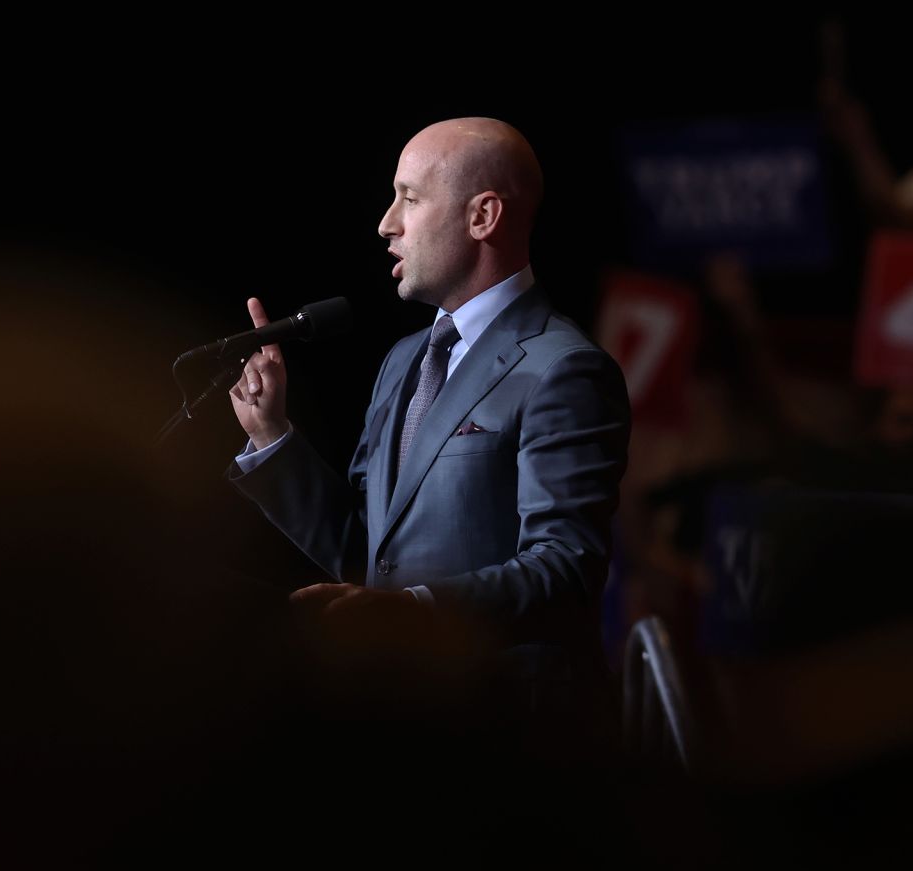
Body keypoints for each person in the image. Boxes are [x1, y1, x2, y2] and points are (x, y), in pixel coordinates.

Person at [224, 117, 631, 716]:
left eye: (409, 199)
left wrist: (413, 610)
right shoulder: (403, 360)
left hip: (513, 732)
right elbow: (370, 554)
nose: (386, 224)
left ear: (482, 217)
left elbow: (566, 570)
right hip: (407, 719)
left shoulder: (564, 368)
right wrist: (271, 434)